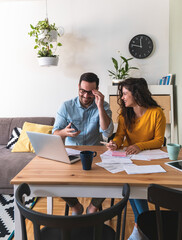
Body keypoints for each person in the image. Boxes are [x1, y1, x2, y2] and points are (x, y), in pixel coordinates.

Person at [106, 78, 166, 240]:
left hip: (151, 159)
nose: (123, 97)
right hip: (130, 160)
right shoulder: (124, 114)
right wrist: (115, 144)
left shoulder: (156, 113)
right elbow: (120, 136)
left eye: (125, 93)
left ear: (136, 94)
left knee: (132, 187)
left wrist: (140, 146)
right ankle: (144, 227)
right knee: (131, 186)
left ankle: (141, 228)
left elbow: (159, 140)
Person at [52, 72, 114, 215]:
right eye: (83, 91)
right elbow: (55, 133)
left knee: (111, 179)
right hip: (72, 154)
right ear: (78, 87)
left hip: (95, 153)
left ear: (97, 90)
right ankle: (75, 206)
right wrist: (64, 132)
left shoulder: (103, 106)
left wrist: (99, 107)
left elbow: (107, 133)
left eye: (90, 92)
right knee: (55, 180)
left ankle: (93, 207)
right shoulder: (66, 106)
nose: (86, 96)